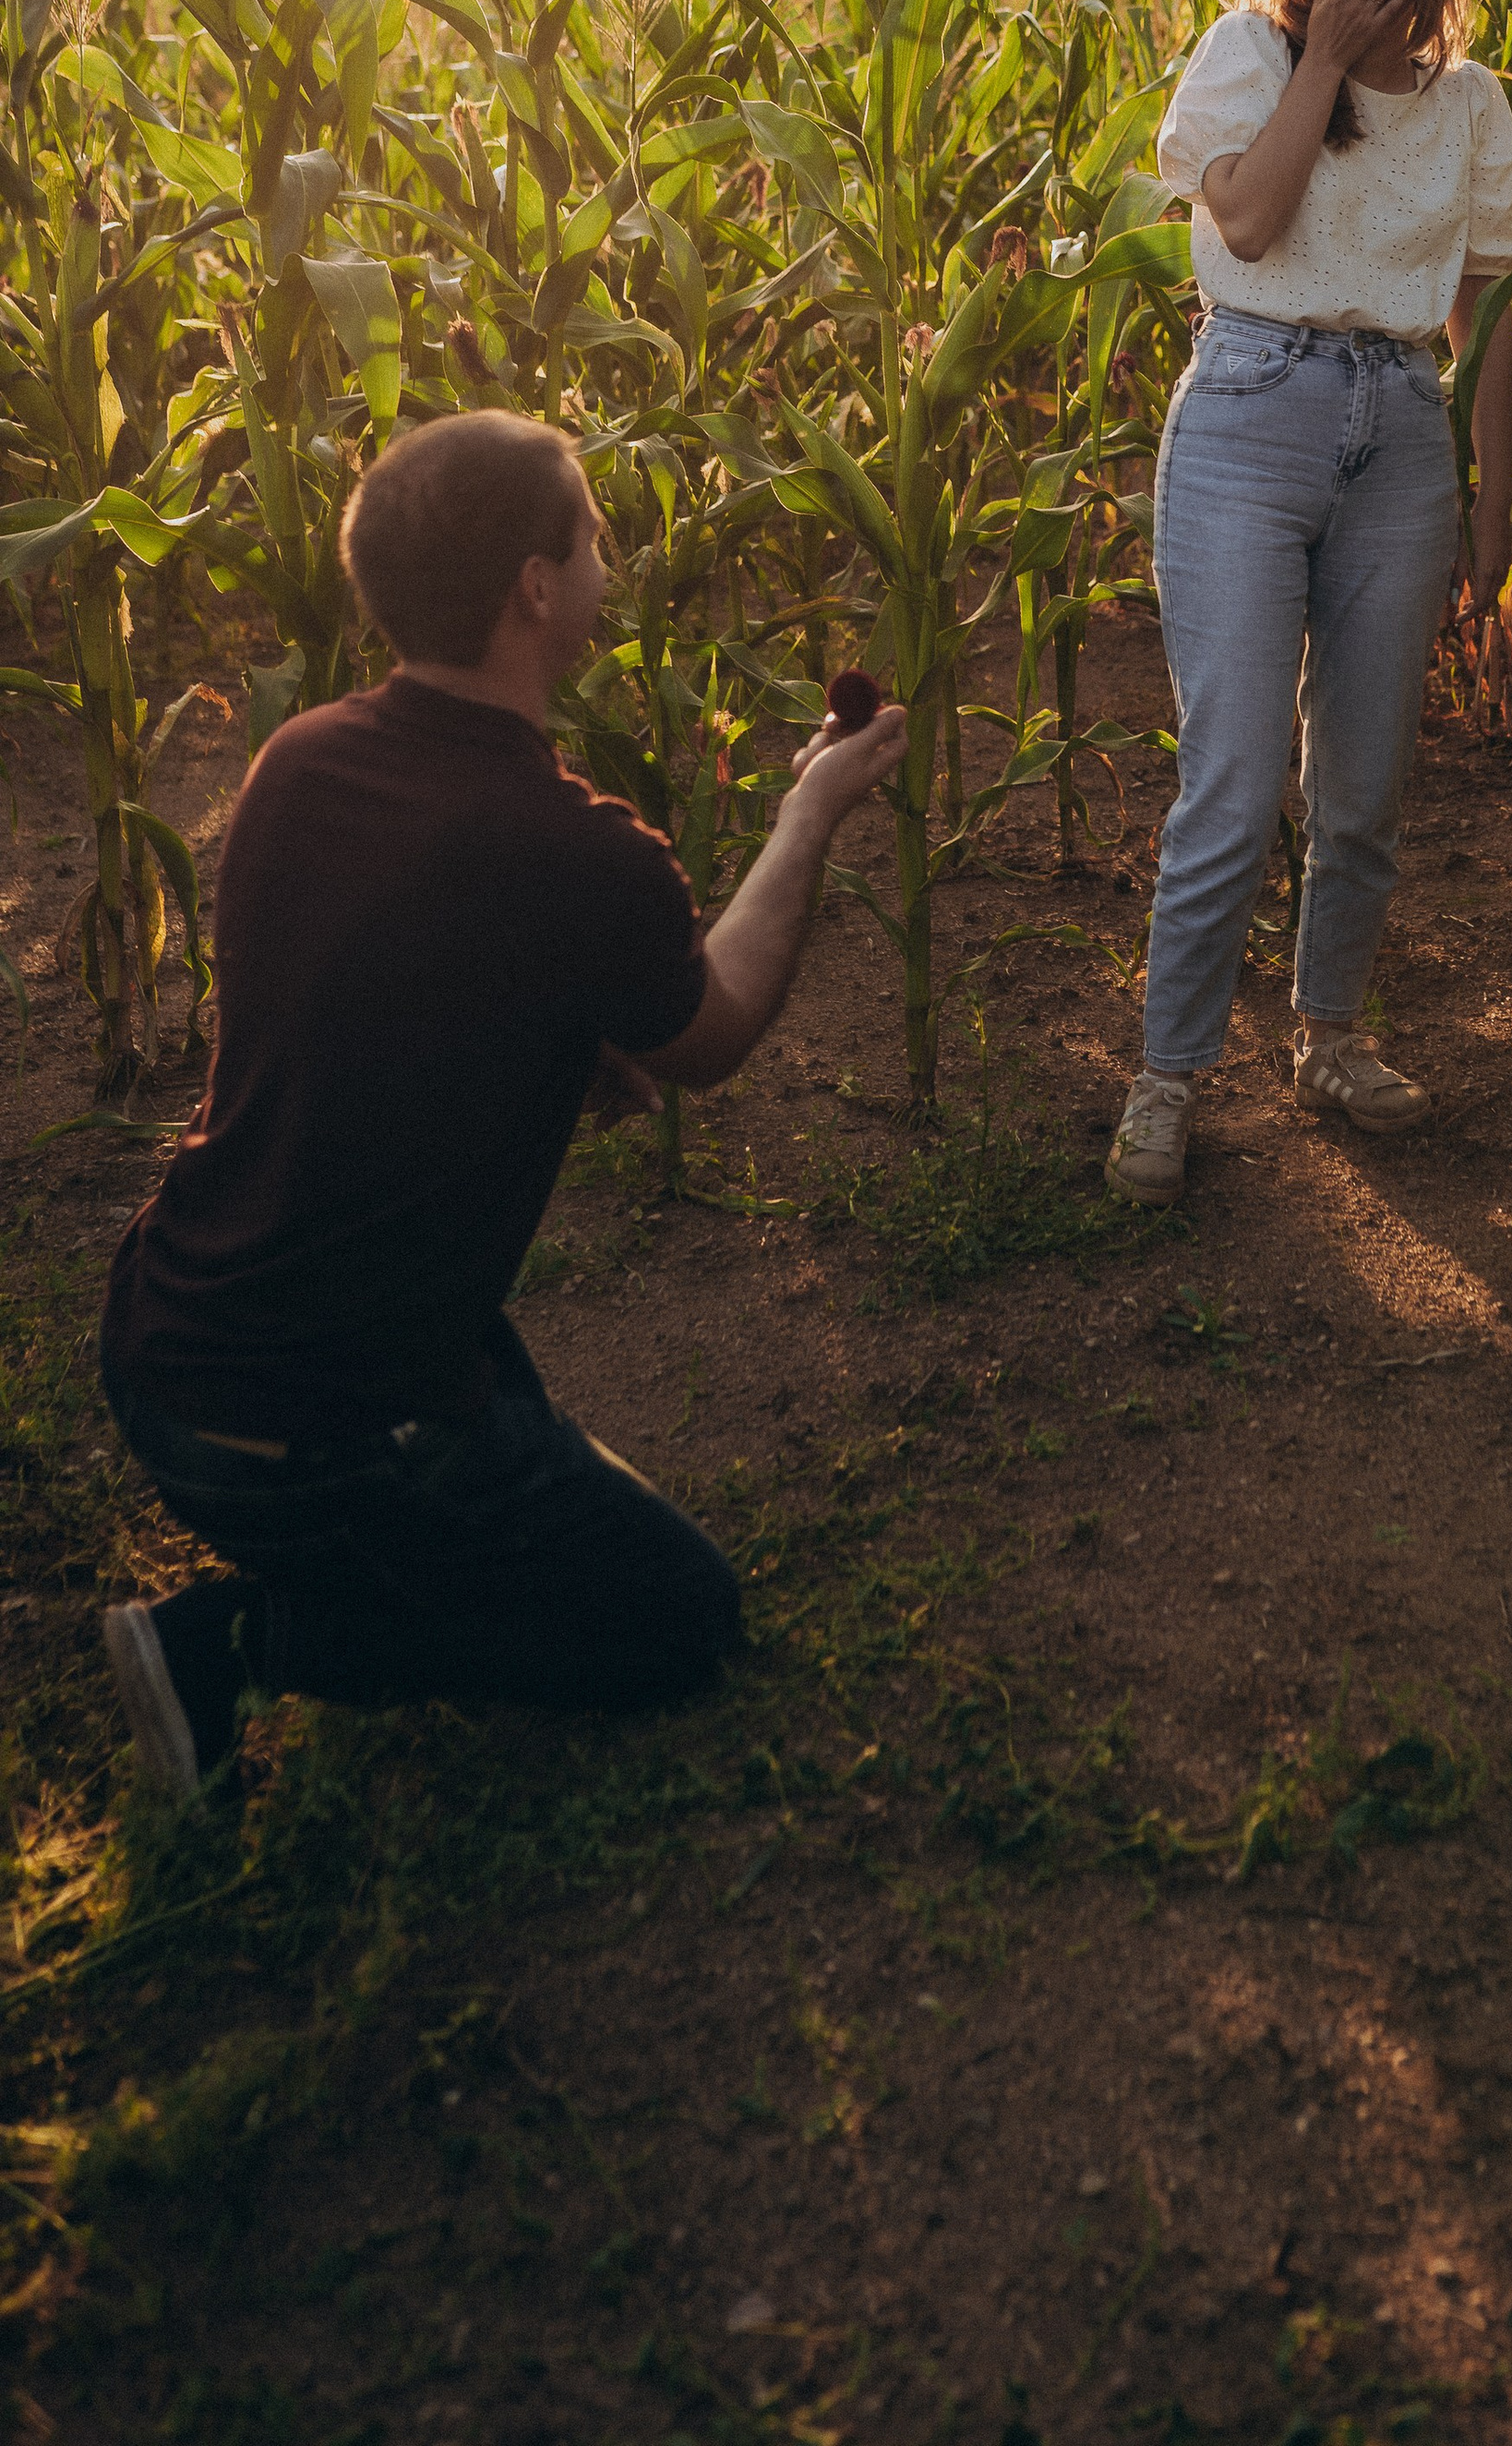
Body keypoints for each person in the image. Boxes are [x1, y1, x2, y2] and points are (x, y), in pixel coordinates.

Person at [99, 410, 906, 1795]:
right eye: (590, 534)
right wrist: (809, 815)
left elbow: (360, 1014)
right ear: (537, 585)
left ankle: (395, 1524)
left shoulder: (296, 761)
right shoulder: (570, 855)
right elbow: (709, 1037)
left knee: (501, 1405)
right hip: (312, 1435)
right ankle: (234, 1640)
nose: (606, 553)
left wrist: (545, 1047)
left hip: (165, 1350)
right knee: (677, 1618)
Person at [1105, 0, 1512, 1207]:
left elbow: (1491, 321)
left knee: (1361, 787)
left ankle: (1329, 1039)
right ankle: (1166, 1081)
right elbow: (1245, 224)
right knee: (1232, 782)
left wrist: (1491, 504)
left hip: (1402, 433)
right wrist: (1327, 63)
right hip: (1251, 411)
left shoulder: (1471, 105)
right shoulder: (1252, 58)